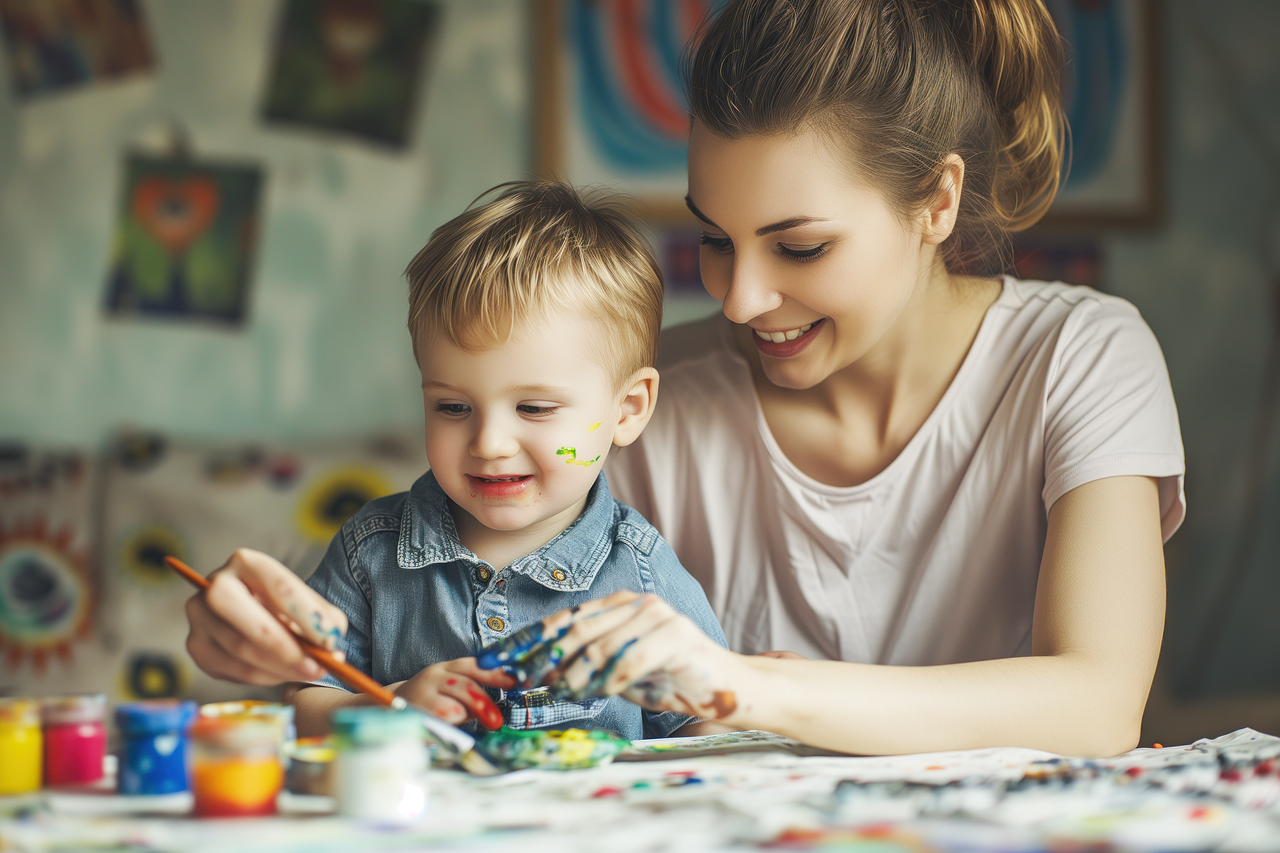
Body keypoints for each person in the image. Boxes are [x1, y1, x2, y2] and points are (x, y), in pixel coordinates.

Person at [184, 0, 1184, 758]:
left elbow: (1094, 708)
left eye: (797, 246)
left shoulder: (1080, 358)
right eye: (713, 238)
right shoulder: (634, 401)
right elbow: (419, 587)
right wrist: (269, 637)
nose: (741, 299)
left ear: (935, 202)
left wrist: (736, 683)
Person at [205, 181, 729, 741]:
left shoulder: (642, 573)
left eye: (534, 407)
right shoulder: (371, 553)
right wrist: (395, 706)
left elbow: (710, 719)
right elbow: (302, 705)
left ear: (627, 410)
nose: (490, 443)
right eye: (453, 407)